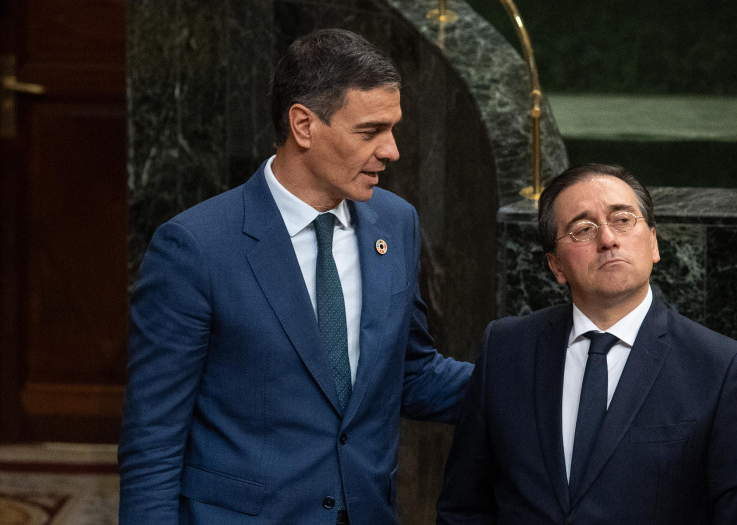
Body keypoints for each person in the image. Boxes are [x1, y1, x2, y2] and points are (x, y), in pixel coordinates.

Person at [118, 29, 473, 524]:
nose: (391, 150)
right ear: (303, 125)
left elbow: (408, 373)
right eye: (370, 131)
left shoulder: (396, 223)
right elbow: (152, 439)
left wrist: (539, 379)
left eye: (393, 129)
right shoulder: (195, 248)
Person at [436, 164, 737, 524]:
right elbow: (464, 508)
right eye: (583, 229)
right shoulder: (506, 349)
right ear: (555, 265)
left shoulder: (720, 368)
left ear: (653, 242)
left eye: (622, 220)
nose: (608, 239)